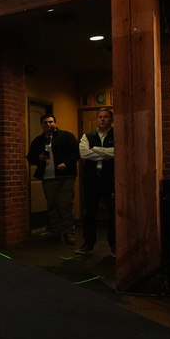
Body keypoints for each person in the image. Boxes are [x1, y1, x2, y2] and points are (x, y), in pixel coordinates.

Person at [27, 113, 80, 245]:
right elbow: (30, 157)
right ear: (42, 125)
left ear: (55, 123)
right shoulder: (38, 141)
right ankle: (56, 233)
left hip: (66, 177)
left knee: (65, 204)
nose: (48, 125)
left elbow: (76, 153)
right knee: (52, 205)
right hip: (47, 177)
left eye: (51, 122)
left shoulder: (66, 136)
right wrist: (38, 158)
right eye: (45, 122)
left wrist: (66, 164)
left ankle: (69, 233)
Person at [76, 108, 115, 256]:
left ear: (111, 119)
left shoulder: (117, 135)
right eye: (100, 117)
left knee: (113, 212)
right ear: (97, 119)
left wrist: (97, 150)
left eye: (106, 117)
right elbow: (84, 153)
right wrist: (107, 153)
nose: (103, 119)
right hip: (92, 179)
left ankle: (114, 243)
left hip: (110, 179)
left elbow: (118, 152)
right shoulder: (87, 136)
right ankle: (88, 243)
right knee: (89, 212)